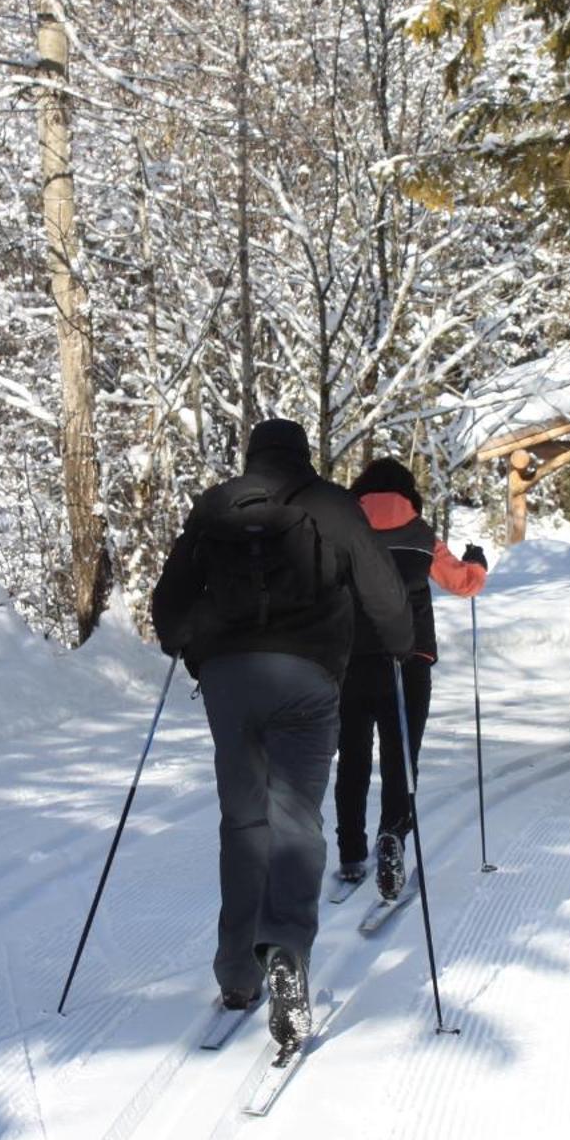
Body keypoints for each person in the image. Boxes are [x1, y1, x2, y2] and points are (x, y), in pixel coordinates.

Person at [150, 418, 412, 1051]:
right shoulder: (332, 506)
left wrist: (196, 650)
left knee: (243, 823)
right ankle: (286, 948)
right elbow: (383, 592)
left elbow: (166, 611)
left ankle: (238, 975)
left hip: (229, 682)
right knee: (297, 820)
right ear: (305, 456)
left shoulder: (216, 509)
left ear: (250, 457)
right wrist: (402, 645)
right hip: (308, 679)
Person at [333, 457, 487, 901]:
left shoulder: (343, 532)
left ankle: (349, 853)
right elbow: (463, 584)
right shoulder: (421, 536)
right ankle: (393, 838)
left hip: (350, 660)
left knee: (353, 757)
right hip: (409, 660)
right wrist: (476, 563)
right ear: (407, 494)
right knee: (402, 757)